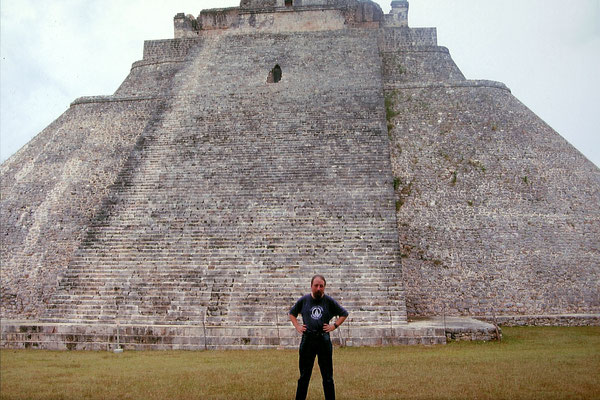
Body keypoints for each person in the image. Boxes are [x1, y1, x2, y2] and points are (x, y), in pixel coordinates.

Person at [289, 275, 349, 400]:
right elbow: (292, 313)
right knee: (304, 376)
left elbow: (344, 313)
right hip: (308, 340)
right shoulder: (304, 300)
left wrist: (334, 326)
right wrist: (298, 326)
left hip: (323, 340)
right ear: (311, 286)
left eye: (321, 286)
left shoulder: (329, 301)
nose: (318, 288)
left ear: (324, 287)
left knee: (327, 377)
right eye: (316, 285)